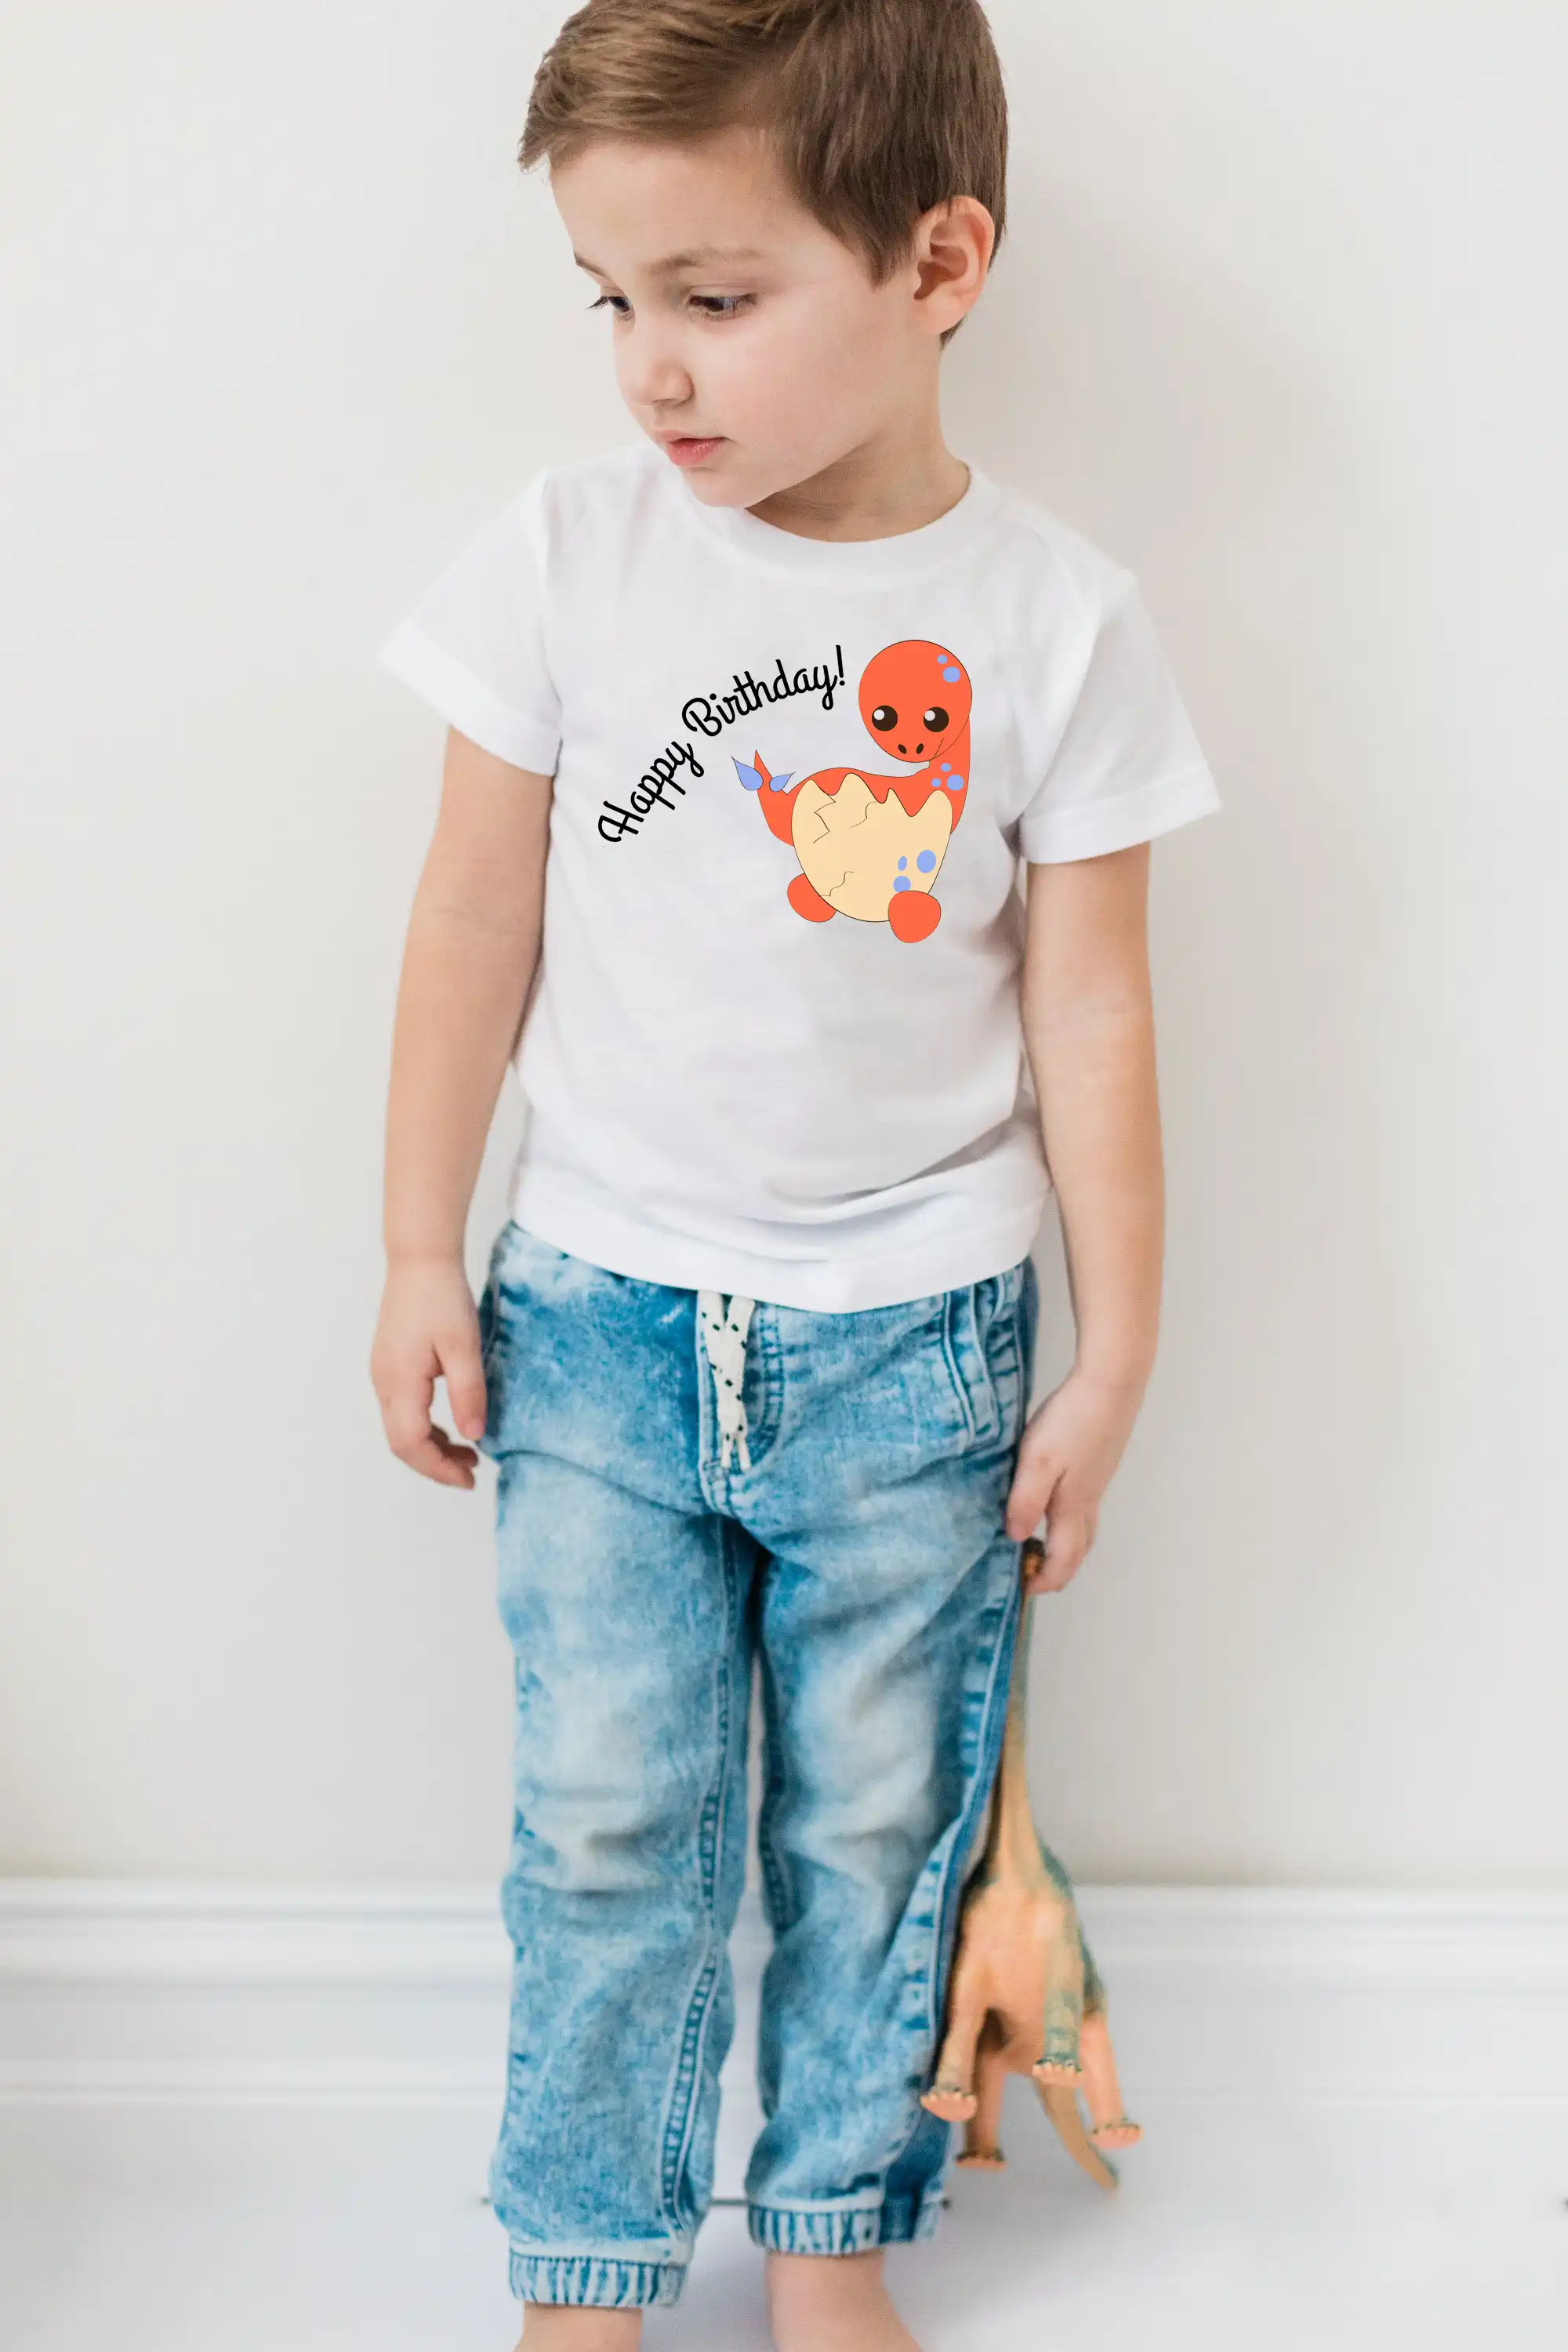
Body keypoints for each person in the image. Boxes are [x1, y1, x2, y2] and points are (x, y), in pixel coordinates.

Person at [371, 3, 1221, 2344]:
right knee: (605, 1829)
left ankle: (833, 2243)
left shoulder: (1058, 621)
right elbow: (470, 916)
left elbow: (1095, 1013)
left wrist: (1118, 1352)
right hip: (596, 1319)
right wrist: (417, 1247)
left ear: (939, 262)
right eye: (612, 298)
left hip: (920, 1347)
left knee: (876, 1826)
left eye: (717, 298)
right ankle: (588, 2266)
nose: (650, 367)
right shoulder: (568, 556)